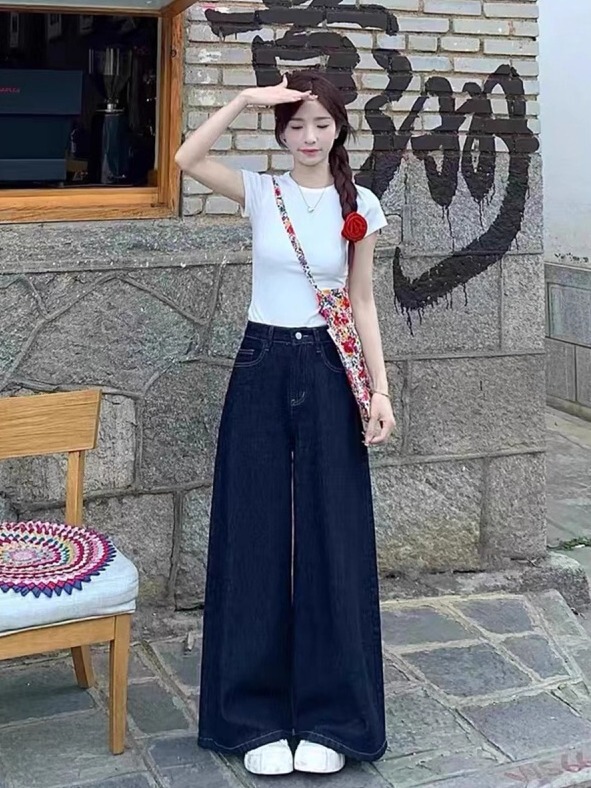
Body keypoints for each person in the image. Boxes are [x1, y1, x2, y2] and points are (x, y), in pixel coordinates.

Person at [175, 68, 396, 777]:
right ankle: (251, 718)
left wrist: (379, 392)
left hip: (330, 367)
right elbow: (186, 158)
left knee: (336, 533)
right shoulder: (260, 192)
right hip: (261, 362)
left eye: (320, 124)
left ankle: (334, 720)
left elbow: (361, 303)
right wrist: (243, 100)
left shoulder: (360, 204)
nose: (308, 136)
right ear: (280, 132)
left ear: (338, 129)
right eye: (296, 125)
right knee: (252, 530)